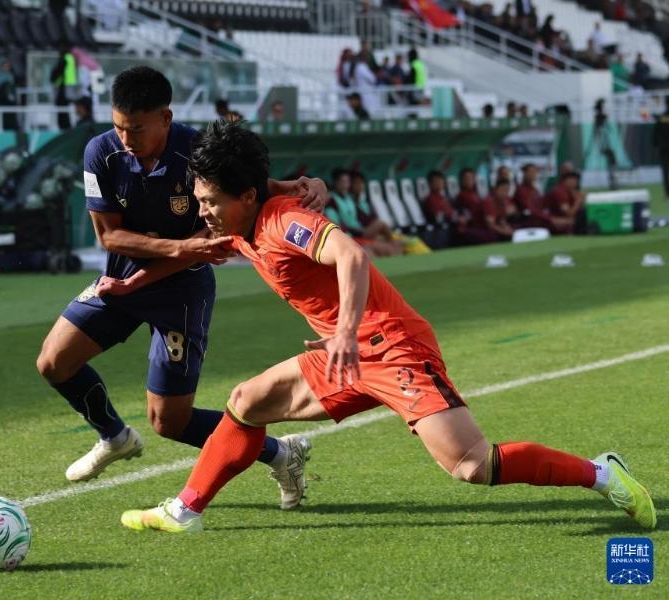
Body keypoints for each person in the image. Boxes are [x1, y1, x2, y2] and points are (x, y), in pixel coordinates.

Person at [114, 121, 656, 533]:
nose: (204, 211)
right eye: (201, 200)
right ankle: (186, 509)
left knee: (472, 466)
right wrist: (129, 284)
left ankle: (601, 473)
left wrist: (346, 330)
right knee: (246, 401)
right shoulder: (241, 222)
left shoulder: (284, 221)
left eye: (211, 202)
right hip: (342, 354)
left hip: (391, 347)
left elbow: (351, 255)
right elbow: (196, 248)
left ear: (248, 196)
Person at [36, 67, 328, 510]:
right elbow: (108, 236)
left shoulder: (196, 149)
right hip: (121, 280)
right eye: (118, 126)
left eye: (136, 129)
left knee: (169, 422)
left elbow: (251, 190)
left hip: (182, 288)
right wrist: (179, 245)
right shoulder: (101, 152)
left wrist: (306, 186)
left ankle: (280, 453)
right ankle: (113, 435)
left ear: (166, 118)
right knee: (54, 362)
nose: (125, 138)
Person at [324, 169, 402, 257]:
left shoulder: (349, 198)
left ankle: (392, 242)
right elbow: (338, 228)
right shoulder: (332, 202)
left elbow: (362, 217)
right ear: (336, 183)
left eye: (347, 182)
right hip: (353, 235)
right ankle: (392, 243)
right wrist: (355, 232)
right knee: (381, 246)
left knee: (390, 247)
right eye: (343, 182)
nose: (346, 185)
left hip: (359, 231)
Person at [50, 42, 78, 130]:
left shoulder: (64, 59)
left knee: (62, 111)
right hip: (70, 87)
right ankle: (67, 127)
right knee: (66, 111)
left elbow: (56, 73)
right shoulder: (71, 58)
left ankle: (64, 128)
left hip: (64, 88)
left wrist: (52, 78)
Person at [0, 57, 18, 131]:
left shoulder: (10, 76)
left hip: (9, 104)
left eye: (8, 66)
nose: (6, 68)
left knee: (10, 120)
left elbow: (13, 89)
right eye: (5, 66)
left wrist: (12, 98)